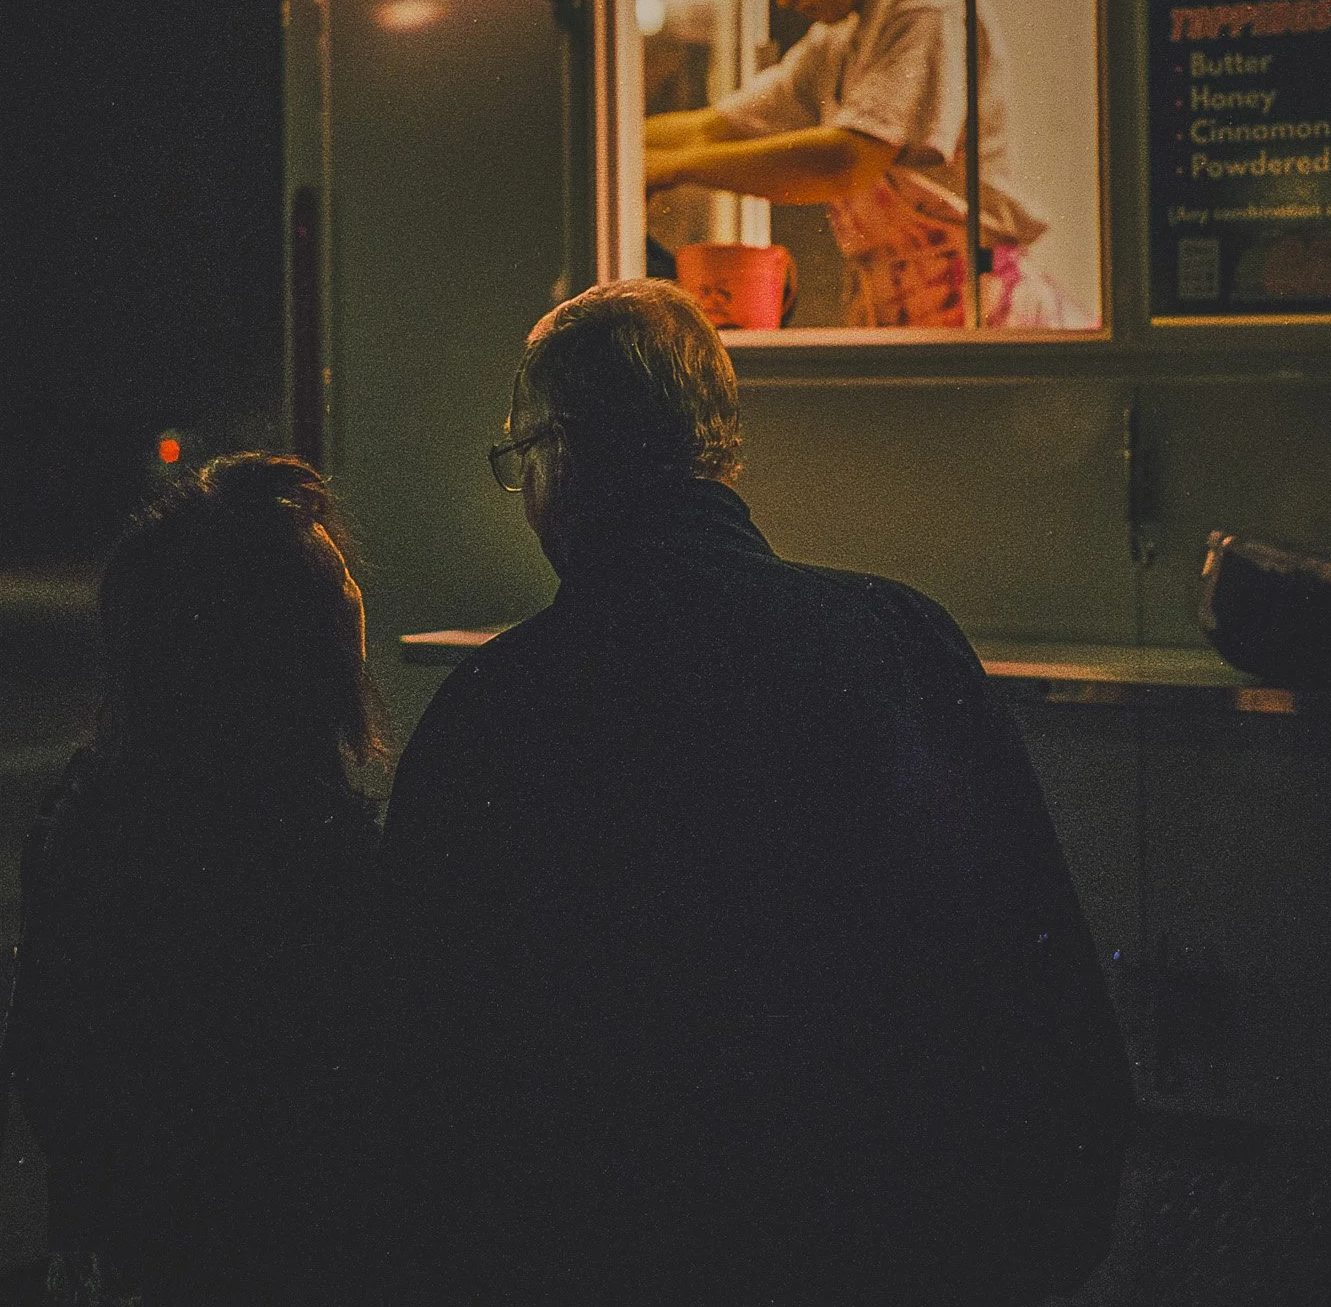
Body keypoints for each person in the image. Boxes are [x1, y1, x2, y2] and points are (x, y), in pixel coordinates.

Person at [381, 280, 1131, 1305]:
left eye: (519, 455)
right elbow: (1047, 1005)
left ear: (562, 450)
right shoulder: (905, 643)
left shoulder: (497, 710)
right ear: (714, 442)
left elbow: (428, 1081)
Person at [1, 455, 384, 1307]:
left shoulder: (90, 825)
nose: (358, 599)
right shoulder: (316, 859)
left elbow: (60, 1093)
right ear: (287, 649)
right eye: (338, 588)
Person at [645, 0, 1082, 328]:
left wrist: (669, 169)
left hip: (981, 313)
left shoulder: (930, 0)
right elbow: (720, 125)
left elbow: (850, 160)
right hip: (892, 311)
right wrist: (621, 148)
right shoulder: (836, 43)